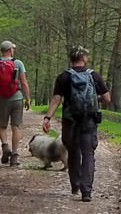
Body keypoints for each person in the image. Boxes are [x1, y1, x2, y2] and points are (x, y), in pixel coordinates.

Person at [42, 46, 111, 202]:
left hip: (70, 120)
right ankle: (86, 192)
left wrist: (47, 118)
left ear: (71, 59)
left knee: (73, 152)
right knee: (88, 153)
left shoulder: (63, 77)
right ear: (84, 58)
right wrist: (95, 100)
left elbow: (56, 100)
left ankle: (75, 184)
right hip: (89, 119)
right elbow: (107, 98)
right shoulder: (94, 76)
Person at [0, 40, 31, 166]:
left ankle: (5, 146)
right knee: (16, 127)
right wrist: (27, 98)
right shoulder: (18, 63)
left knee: (3, 126)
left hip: (1, 99)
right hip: (16, 98)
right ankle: (14, 155)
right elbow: (24, 83)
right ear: (10, 50)